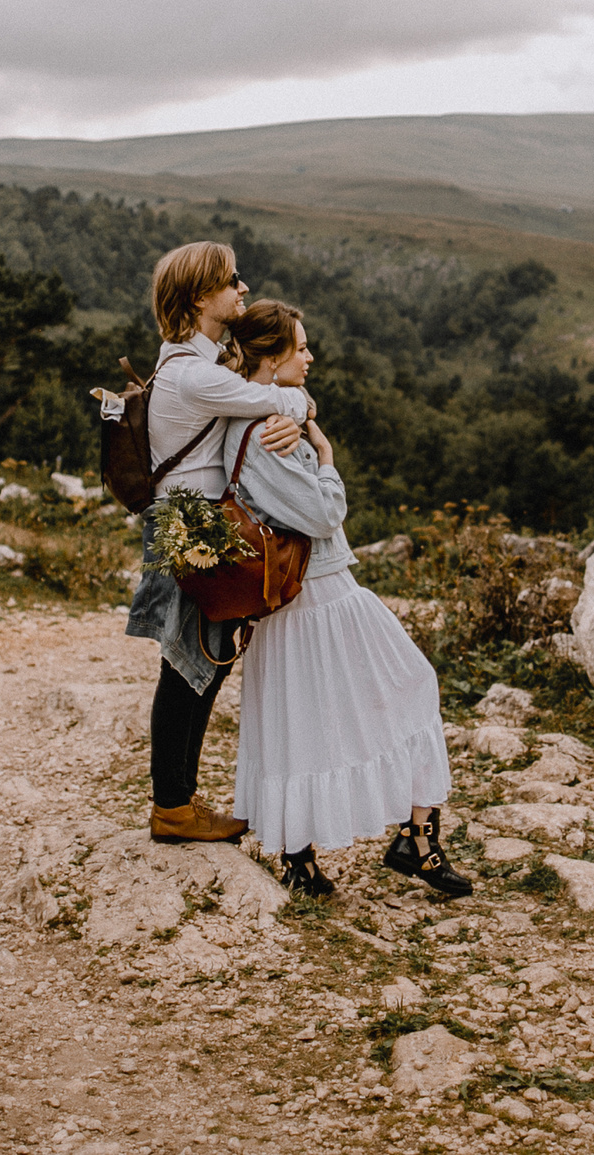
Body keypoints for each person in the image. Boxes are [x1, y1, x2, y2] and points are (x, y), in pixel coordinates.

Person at [221, 300, 471, 901]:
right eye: (300, 348)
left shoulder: (272, 412)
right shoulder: (261, 432)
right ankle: (367, 848)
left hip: (310, 595)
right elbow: (322, 512)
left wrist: (302, 410)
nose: (310, 356)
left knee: (306, 716)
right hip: (318, 593)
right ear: (272, 357)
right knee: (404, 685)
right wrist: (327, 459)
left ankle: (402, 841)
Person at [127, 241, 309, 844]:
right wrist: (300, 406)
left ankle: (180, 799)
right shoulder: (193, 376)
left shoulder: (188, 366)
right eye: (233, 281)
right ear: (203, 297)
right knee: (187, 665)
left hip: (192, 525)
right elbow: (280, 396)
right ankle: (173, 807)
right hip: (191, 528)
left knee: (201, 661)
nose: (244, 289)